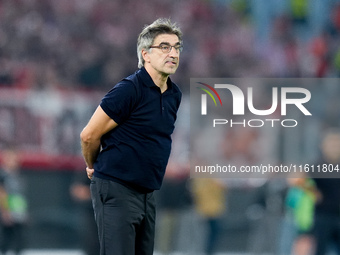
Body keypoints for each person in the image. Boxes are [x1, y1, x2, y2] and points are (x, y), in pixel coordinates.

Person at [80, 18, 183, 255]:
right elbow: (89, 135)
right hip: (117, 188)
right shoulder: (129, 89)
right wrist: (91, 164)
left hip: (147, 193)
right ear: (146, 54)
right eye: (165, 47)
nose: (173, 53)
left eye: (177, 47)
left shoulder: (174, 94)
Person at [312, 129, 340, 255]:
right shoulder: (317, 166)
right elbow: (299, 180)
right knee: (320, 249)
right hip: (323, 214)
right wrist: (314, 193)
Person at [0, 147, 28, 255]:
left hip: (18, 213)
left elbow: (19, 196)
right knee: (6, 240)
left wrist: (23, 212)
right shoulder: (3, 175)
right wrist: (5, 212)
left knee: (19, 241)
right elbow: (2, 193)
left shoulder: (18, 175)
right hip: (7, 213)